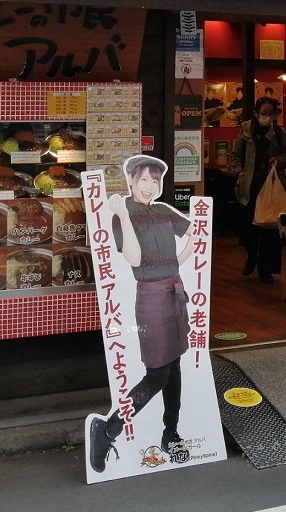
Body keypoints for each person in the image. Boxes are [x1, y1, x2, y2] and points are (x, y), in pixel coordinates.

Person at [90, 155, 192, 474]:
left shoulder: (163, 211)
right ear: (131, 181)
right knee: (157, 374)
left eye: (154, 181)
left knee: (175, 366)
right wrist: (122, 212)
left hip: (175, 292)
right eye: (144, 179)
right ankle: (108, 430)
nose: (149, 186)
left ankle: (170, 432)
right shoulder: (123, 214)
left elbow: (196, 233)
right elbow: (133, 258)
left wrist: (177, 261)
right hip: (151, 298)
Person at [229, 97, 286, 284]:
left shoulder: (279, 132)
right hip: (249, 187)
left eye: (270, 113)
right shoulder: (246, 131)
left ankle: (265, 270)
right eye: (263, 113)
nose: (267, 116)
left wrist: (279, 160)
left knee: (269, 230)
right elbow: (236, 155)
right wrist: (240, 172)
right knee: (247, 229)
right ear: (256, 113)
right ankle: (252, 256)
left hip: (270, 186)